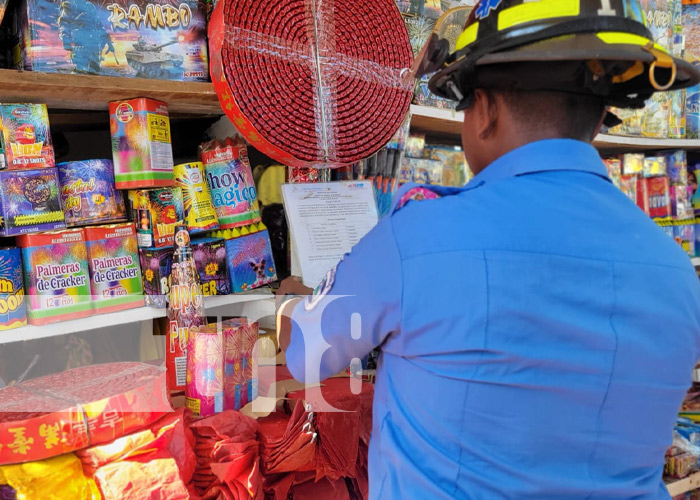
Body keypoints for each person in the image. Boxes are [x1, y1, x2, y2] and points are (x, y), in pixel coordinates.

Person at [276, 1, 700, 498]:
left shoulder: (419, 236)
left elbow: (307, 353)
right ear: (602, 113)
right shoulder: (674, 269)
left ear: (486, 111)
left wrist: (288, 302)